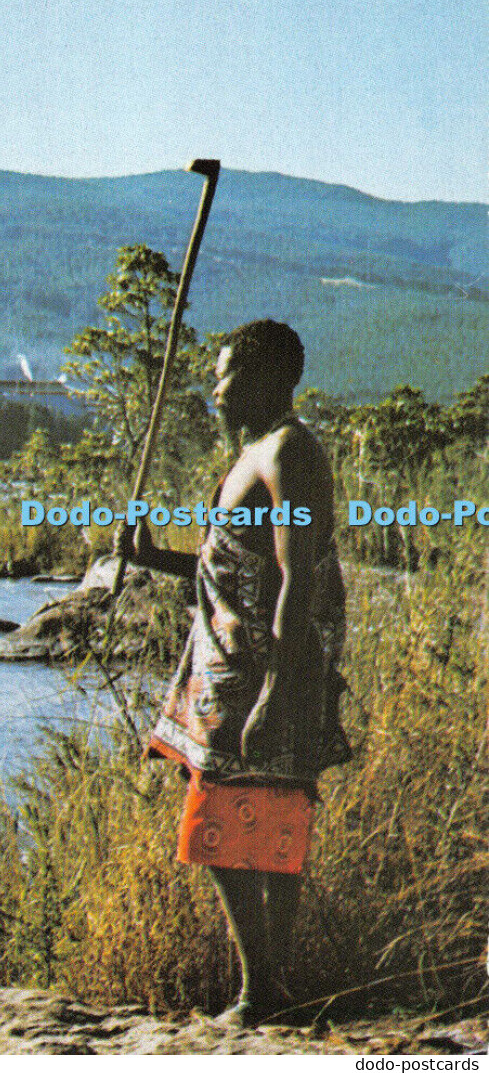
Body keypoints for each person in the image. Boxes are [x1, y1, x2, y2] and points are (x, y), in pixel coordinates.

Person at [115, 319, 350, 1027]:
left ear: (262, 376)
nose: (214, 389)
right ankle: (268, 986)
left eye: (224, 375)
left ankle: (259, 990)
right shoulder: (257, 450)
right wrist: (154, 558)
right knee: (252, 813)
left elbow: (295, 577)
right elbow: (231, 564)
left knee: (239, 815)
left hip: (266, 668)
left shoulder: (289, 452)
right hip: (236, 664)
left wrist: (276, 690)